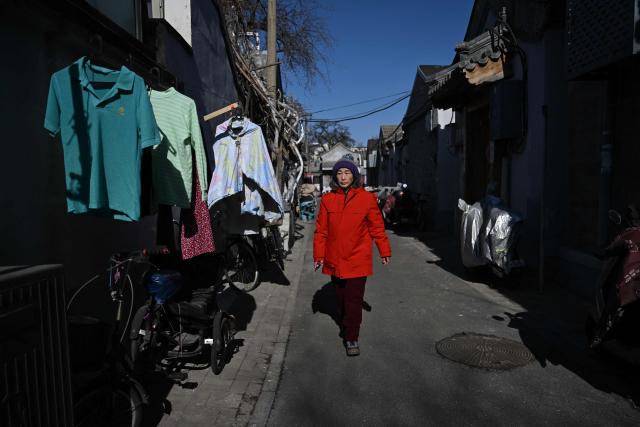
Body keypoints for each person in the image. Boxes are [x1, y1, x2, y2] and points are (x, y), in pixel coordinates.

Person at [313, 157, 391, 357]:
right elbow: (321, 231)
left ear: (354, 176)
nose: (343, 177)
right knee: (341, 300)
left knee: (354, 300)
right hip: (334, 258)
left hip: (358, 258)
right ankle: (347, 323)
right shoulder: (328, 200)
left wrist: (384, 250)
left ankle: (351, 337)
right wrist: (318, 255)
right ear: (334, 177)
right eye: (339, 173)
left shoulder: (367, 199)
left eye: (347, 173)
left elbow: (377, 227)